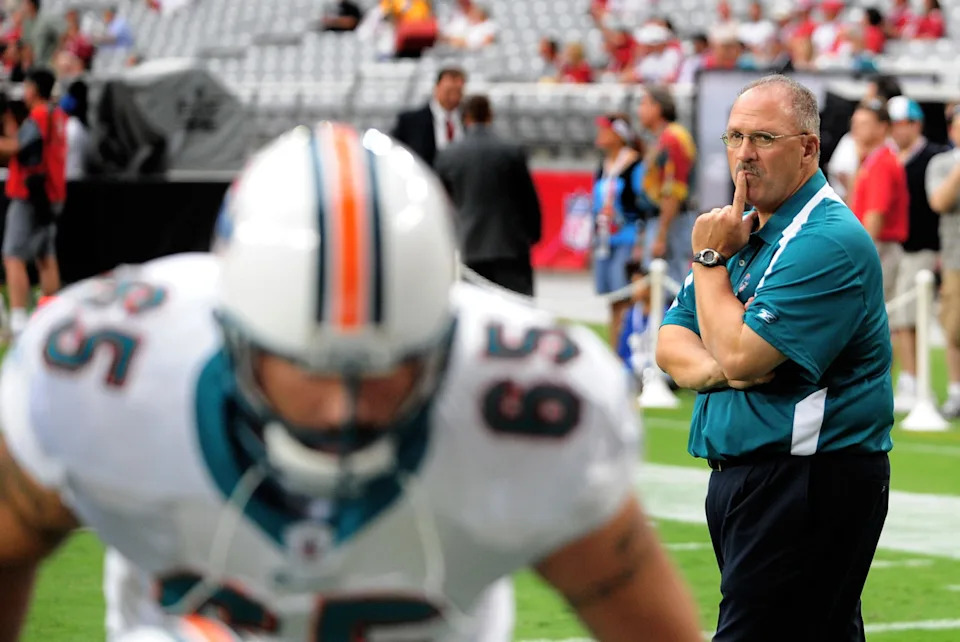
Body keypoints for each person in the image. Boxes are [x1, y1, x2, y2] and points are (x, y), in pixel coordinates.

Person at [0, 122, 704, 642]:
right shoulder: (101, 372)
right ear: (234, 335)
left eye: (387, 364)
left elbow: (638, 614)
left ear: (443, 337)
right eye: (312, 366)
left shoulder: (530, 400)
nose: (344, 405)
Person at [656, 74, 892, 641]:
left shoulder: (825, 239)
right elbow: (670, 343)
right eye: (734, 136)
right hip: (755, 474)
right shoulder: (743, 231)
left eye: (763, 138)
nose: (744, 154)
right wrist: (722, 368)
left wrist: (708, 262)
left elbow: (741, 355)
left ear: (808, 148)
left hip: (805, 477)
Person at [434, 94, 541, 297]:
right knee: (515, 307)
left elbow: (442, 203)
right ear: (490, 115)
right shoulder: (511, 151)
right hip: (510, 246)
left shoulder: (449, 155)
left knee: (475, 307)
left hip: (468, 246)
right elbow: (528, 198)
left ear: (465, 118)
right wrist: (534, 233)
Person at [887, 95, 949, 410]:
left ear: (917, 124)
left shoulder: (934, 156)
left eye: (905, 123)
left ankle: (916, 382)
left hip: (924, 247)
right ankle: (909, 379)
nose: (900, 130)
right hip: (896, 247)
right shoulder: (888, 157)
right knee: (899, 318)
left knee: (912, 317)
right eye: (895, 124)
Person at [0, 67, 66, 339]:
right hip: (52, 192)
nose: (24, 92)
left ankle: (18, 320)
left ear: (36, 89)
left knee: (13, 256)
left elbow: (15, 147)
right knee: (45, 256)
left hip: (30, 193)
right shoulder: (57, 114)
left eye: (28, 86)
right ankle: (51, 315)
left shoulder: (39, 115)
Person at [591, 113, 654, 350]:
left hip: (628, 238)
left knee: (625, 297)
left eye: (605, 130)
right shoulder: (604, 165)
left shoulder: (635, 165)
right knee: (612, 299)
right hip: (605, 240)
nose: (600, 135)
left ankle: (626, 351)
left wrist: (642, 240)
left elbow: (644, 203)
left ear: (619, 135)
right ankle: (614, 350)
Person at [637, 85, 698, 290]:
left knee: (670, 284)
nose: (639, 110)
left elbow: (673, 191)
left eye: (644, 104)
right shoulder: (662, 138)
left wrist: (661, 235)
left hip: (672, 221)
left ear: (657, 108)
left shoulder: (672, 139)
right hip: (665, 219)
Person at [848, 98, 909, 303]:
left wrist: (859, 254)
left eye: (864, 123)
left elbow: (876, 214)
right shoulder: (872, 159)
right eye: (855, 123)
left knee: (874, 309)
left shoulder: (882, 162)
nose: (856, 129)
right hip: (875, 245)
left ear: (882, 128)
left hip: (878, 246)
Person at [927, 104, 960, 417]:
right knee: (954, 329)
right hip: (955, 260)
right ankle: (956, 392)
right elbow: (938, 201)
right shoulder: (942, 163)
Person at [391, 66, 465, 167]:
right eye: (448, 91)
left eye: (458, 92)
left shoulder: (469, 120)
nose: (453, 97)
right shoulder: (410, 122)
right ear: (436, 88)